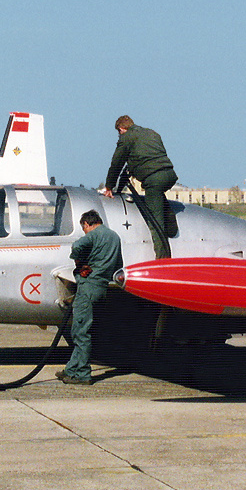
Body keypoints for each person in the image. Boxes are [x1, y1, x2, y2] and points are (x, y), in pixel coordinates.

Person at [56, 210, 123, 385]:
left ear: (87, 224)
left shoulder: (93, 235)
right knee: (84, 330)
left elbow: (77, 246)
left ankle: (83, 374)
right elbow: (119, 265)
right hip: (102, 288)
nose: (85, 231)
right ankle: (71, 369)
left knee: (80, 332)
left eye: (84, 228)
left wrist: (80, 263)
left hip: (88, 287)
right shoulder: (114, 237)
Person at [101, 115, 178, 259]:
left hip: (154, 180)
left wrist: (109, 187)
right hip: (170, 175)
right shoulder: (152, 134)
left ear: (121, 129)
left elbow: (116, 163)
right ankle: (171, 222)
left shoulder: (127, 138)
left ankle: (163, 261)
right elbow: (145, 160)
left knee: (155, 222)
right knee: (157, 197)